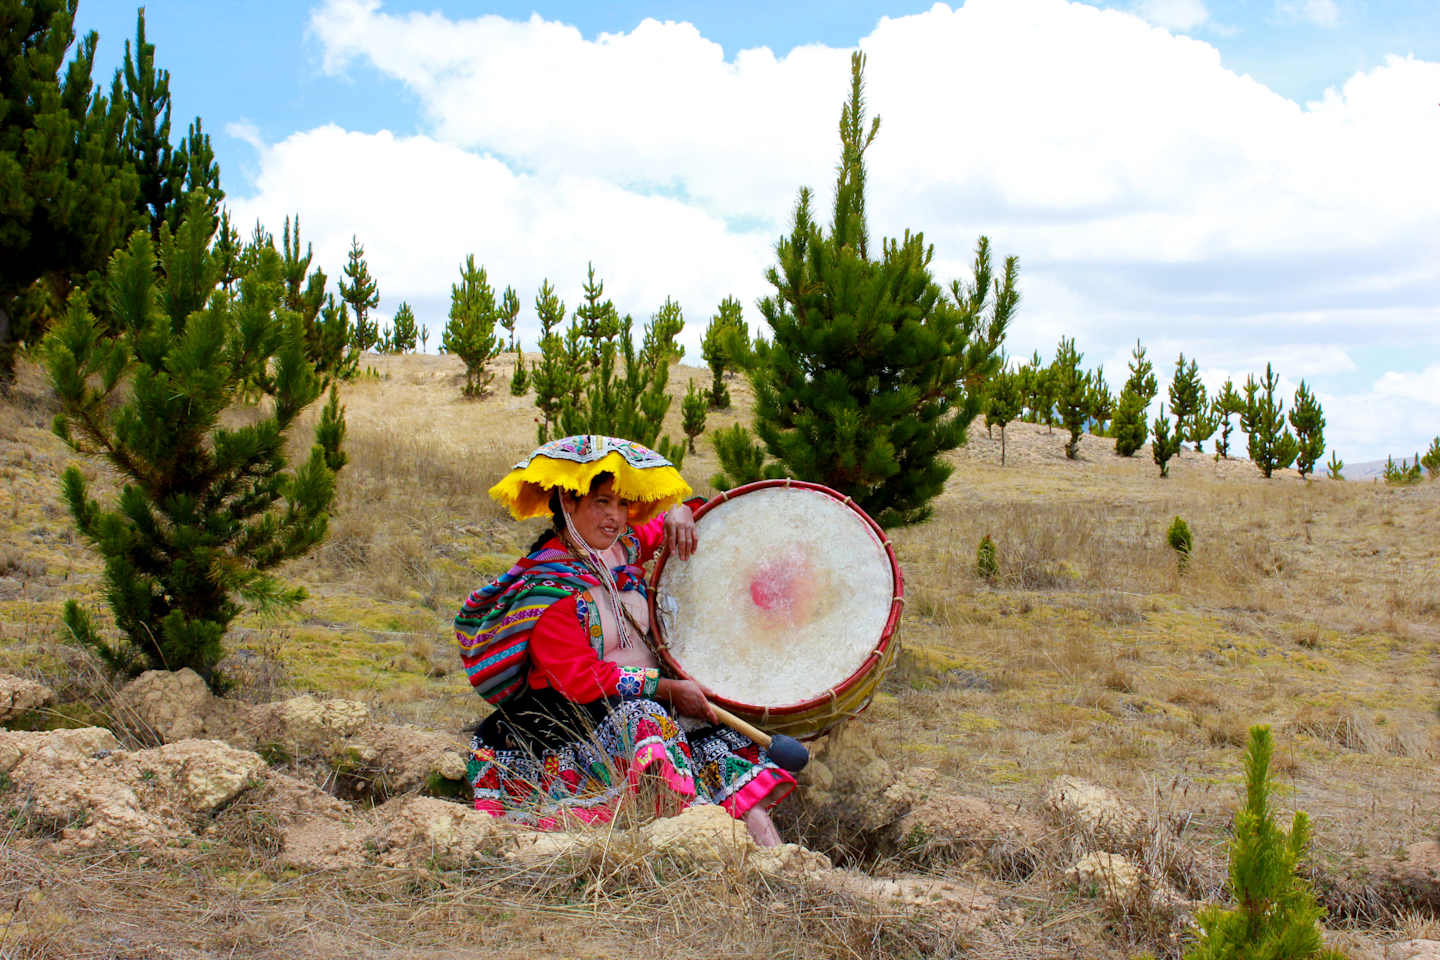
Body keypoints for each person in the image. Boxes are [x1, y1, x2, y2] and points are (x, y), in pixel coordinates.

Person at [458, 435, 795, 846]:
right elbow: (580, 678)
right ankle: (685, 859)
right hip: (576, 719)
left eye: (622, 504)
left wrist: (679, 513)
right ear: (568, 501)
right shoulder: (546, 588)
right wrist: (668, 689)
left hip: (646, 701)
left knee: (717, 750)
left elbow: (687, 515)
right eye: (602, 502)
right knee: (648, 726)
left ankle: (779, 869)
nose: (616, 517)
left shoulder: (622, 548)